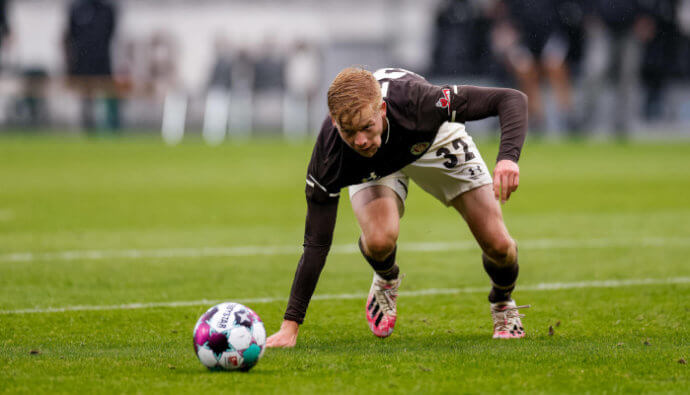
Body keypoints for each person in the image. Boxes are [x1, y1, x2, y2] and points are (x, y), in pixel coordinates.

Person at [266, 67, 529, 348]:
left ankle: (502, 300)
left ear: (381, 109)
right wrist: (289, 326)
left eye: (367, 126)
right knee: (379, 240)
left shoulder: (418, 102)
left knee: (500, 245)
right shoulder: (332, 154)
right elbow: (316, 242)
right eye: (348, 131)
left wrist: (508, 158)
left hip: (429, 141)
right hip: (376, 166)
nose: (361, 141)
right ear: (334, 121)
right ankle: (387, 276)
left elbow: (511, 99)